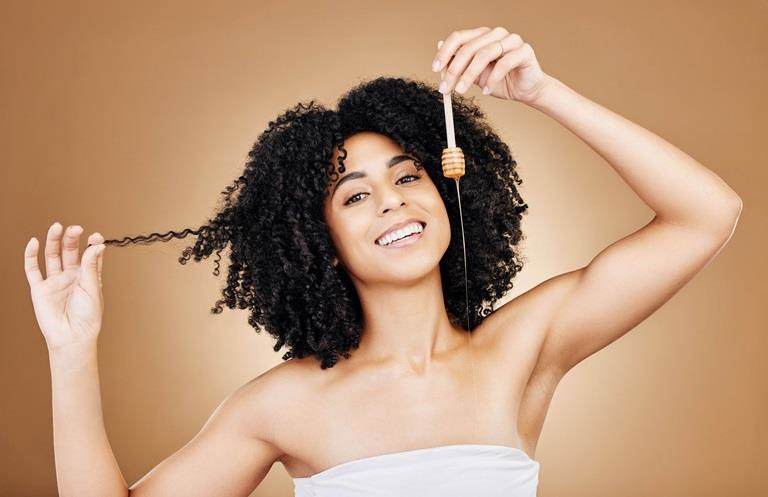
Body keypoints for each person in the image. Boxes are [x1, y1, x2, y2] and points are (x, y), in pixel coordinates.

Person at [23, 26, 742, 497]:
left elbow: (707, 215)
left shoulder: (523, 347)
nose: (393, 203)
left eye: (406, 177)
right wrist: (71, 354)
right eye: (355, 196)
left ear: (445, 187)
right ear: (318, 239)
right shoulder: (284, 403)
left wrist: (540, 92)